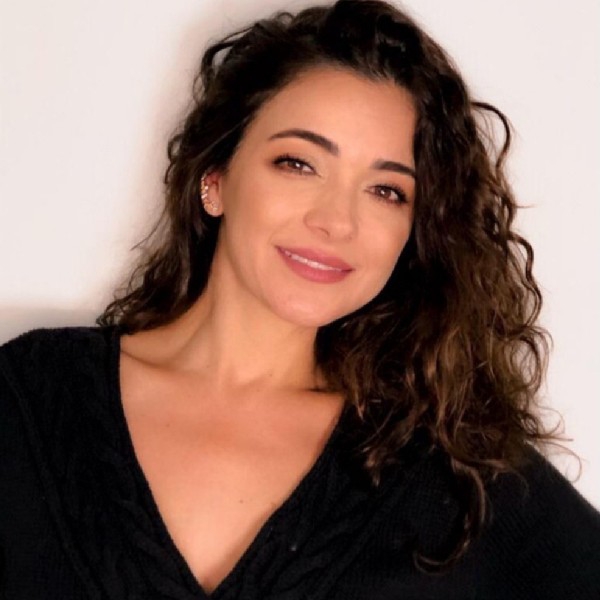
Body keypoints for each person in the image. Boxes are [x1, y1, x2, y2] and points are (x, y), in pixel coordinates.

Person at [1, 0, 599, 598]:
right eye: (298, 163)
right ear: (215, 179)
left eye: (387, 191)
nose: (337, 221)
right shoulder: (29, 398)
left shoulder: (449, 465)